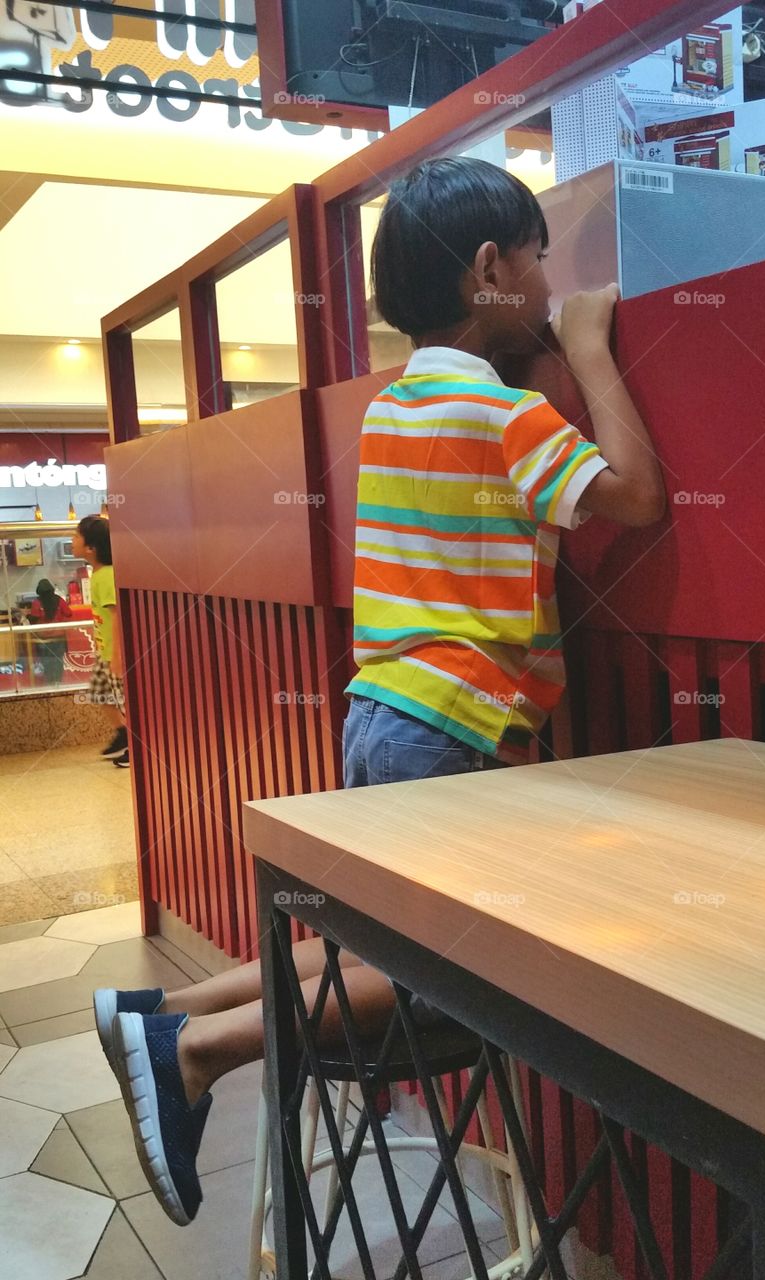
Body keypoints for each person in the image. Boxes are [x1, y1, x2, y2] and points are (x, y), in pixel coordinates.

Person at [93, 157, 665, 1226]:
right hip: (444, 730)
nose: (549, 281)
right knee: (437, 974)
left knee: (371, 944)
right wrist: (586, 347)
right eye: (540, 259)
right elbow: (634, 496)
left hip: (381, 719)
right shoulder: (497, 411)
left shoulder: (401, 405)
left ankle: (156, 1010)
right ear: (490, 268)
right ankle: (192, 1046)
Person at [72, 515, 129, 767]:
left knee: (123, 701)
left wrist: (117, 656)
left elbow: (117, 617)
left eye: (76, 536)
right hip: (104, 652)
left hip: (113, 654)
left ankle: (134, 747)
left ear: (91, 548)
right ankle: (123, 734)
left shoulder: (106, 576)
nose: (71, 541)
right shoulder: (96, 574)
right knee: (100, 695)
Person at [27, 578, 72, 686]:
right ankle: (58, 682)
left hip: (43, 638)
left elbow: (34, 618)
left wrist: (27, 615)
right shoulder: (59, 600)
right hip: (59, 636)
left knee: (46, 661)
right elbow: (69, 613)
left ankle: (49, 683)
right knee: (58, 661)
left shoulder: (37, 602)